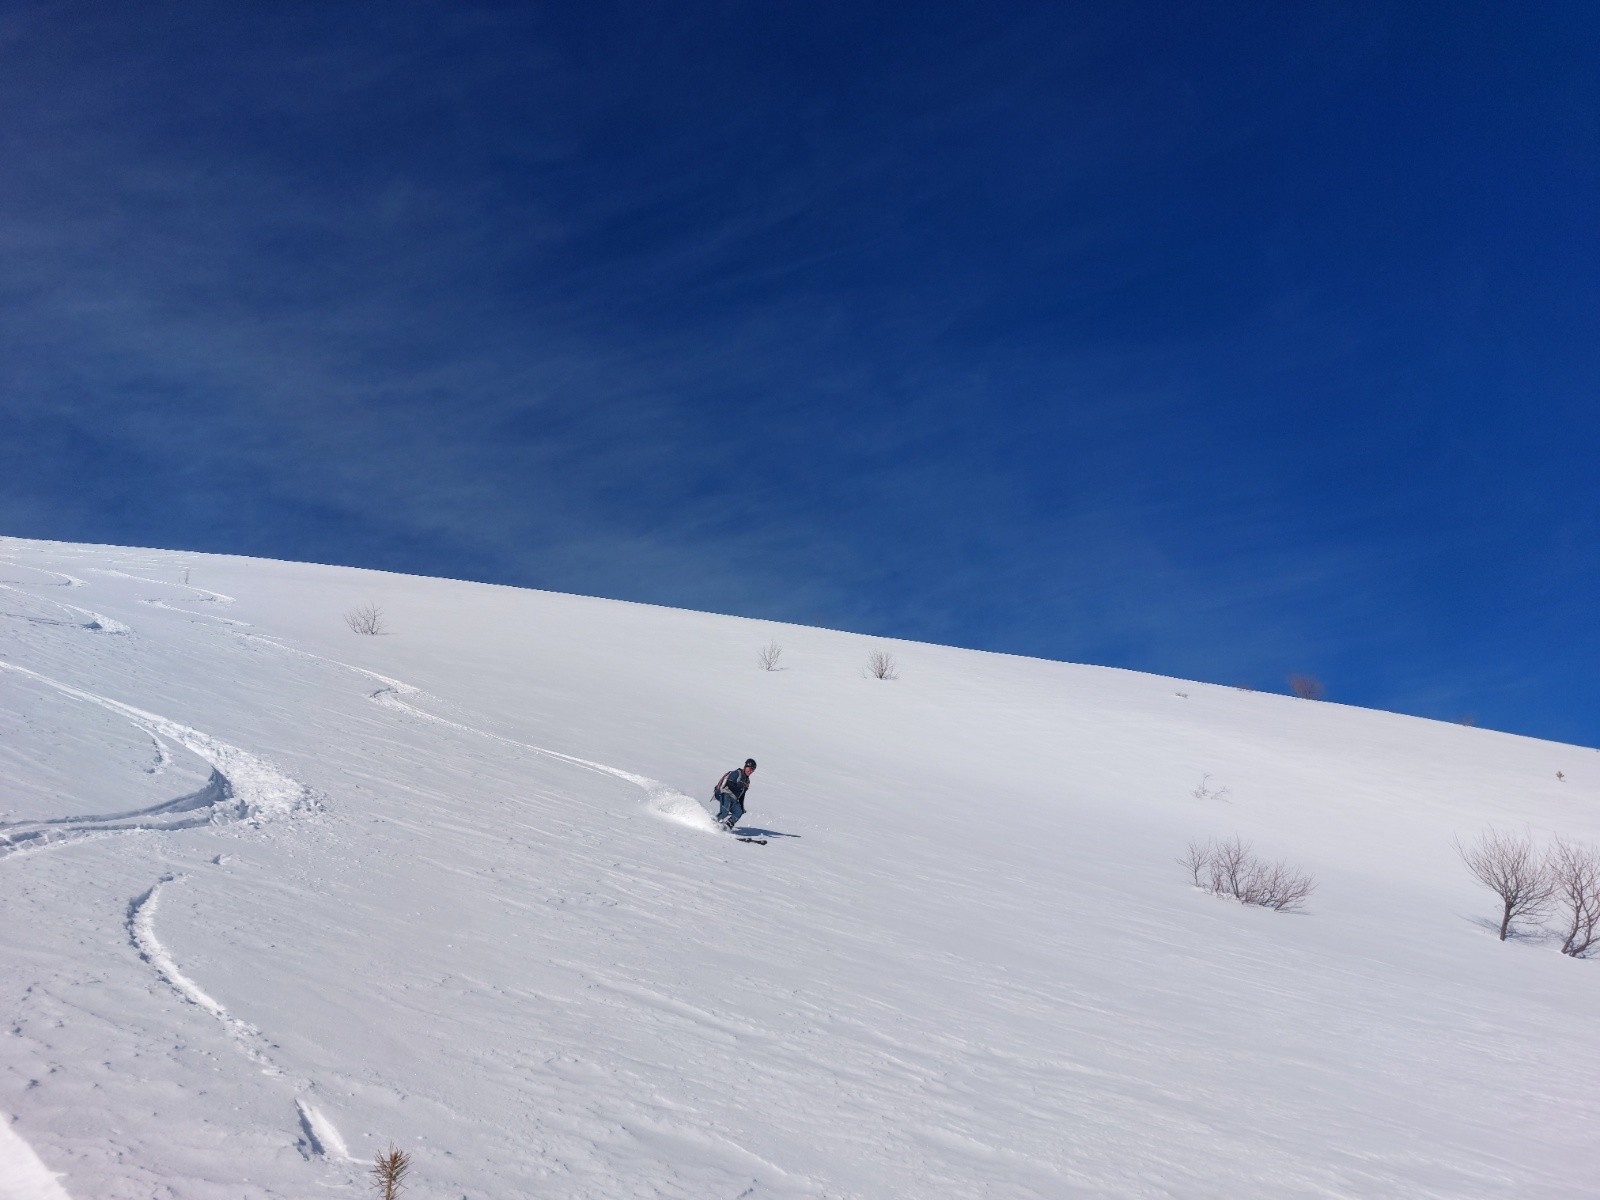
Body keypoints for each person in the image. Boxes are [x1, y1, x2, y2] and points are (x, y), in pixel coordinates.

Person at [713, 759, 757, 830]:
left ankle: (726, 827)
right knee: (724, 812)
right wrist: (739, 787)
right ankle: (712, 824)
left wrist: (742, 807)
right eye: (749, 768)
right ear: (745, 766)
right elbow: (728, 784)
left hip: (733, 799)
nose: (750, 771)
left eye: (752, 770)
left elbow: (742, 795)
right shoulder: (737, 773)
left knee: (738, 812)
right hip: (725, 794)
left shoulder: (747, 781)